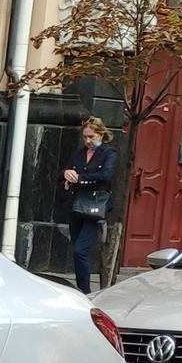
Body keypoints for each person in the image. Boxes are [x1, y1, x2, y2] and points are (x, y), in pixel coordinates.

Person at [62, 118, 115, 293]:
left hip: (95, 207)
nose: (87, 141)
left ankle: (85, 291)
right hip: (76, 205)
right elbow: (65, 171)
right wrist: (66, 174)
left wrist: (80, 178)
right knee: (77, 251)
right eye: (85, 137)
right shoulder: (79, 154)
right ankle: (81, 288)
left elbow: (106, 175)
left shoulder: (108, 153)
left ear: (101, 134)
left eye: (91, 136)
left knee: (80, 250)